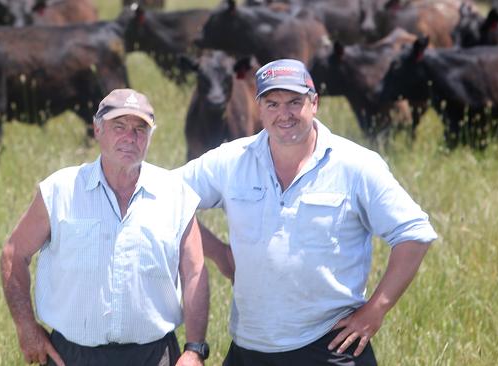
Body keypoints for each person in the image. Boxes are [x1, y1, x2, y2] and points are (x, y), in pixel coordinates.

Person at [178, 59, 438, 365]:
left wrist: (375, 310)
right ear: (258, 106)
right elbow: (167, 198)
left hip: (328, 345)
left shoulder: (356, 164)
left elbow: (414, 234)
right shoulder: (231, 161)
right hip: (250, 346)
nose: (284, 114)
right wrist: (219, 253)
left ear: (314, 103)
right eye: (272, 103)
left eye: (294, 102)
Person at [0, 88, 210, 366]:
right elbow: (13, 254)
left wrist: (194, 349)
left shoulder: (175, 194)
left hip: (154, 355)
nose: (129, 137)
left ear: (150, 136)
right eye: (118, 126)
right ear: (97, 130)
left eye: (139, 129)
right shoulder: (60, 191)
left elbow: (195, 272)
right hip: (72, 356)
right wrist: (26, 328)